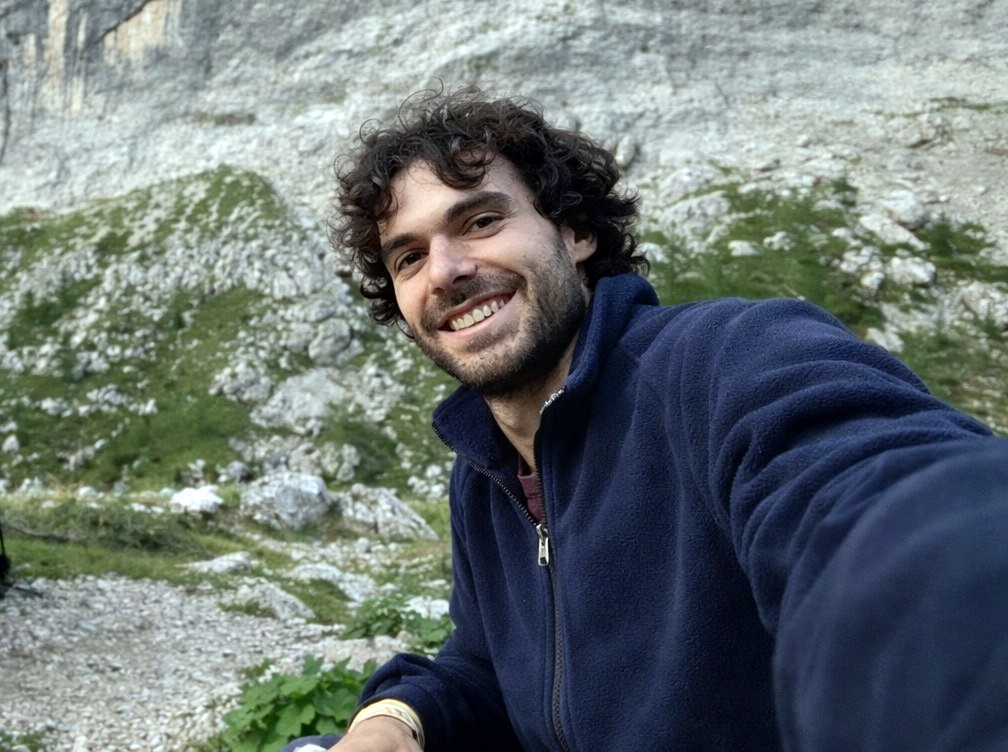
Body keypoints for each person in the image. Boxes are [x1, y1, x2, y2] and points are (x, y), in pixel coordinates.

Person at [286, 87, 1008, 752]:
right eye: (408, 258)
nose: (444, 270)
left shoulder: (728, 361)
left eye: (480, 221)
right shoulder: (485, 471)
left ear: (574, 232)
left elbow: (882, 509)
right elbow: (488, 666)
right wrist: (394, 721)